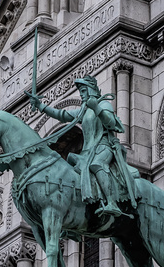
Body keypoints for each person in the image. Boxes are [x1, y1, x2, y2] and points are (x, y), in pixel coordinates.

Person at [29, 75, 137, 219]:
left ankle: (112, 203)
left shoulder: (103, 104)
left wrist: (96, 108)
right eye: (80, 92)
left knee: (97, 164)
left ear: (91, 90)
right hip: (87, 151)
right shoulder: (83, 111)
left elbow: (112, 124)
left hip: (104, 147)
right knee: (69, 166)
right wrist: (41, 106)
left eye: (84, 91)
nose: (81, 94)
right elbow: (62, 114)